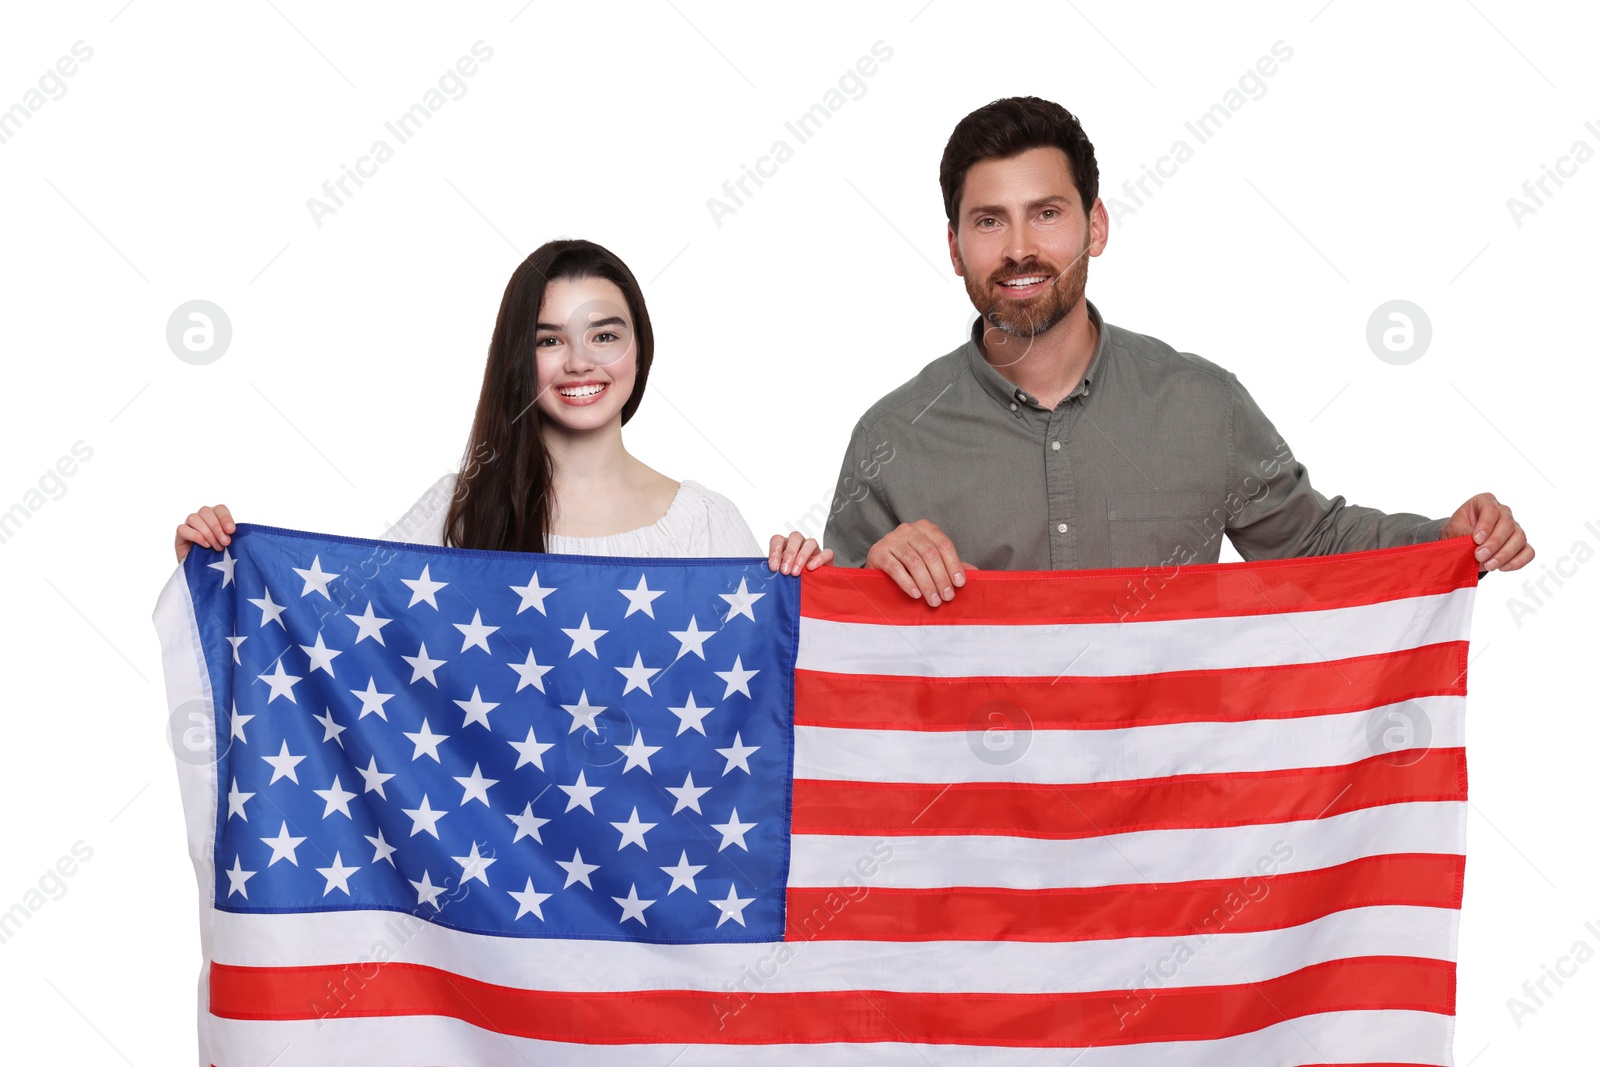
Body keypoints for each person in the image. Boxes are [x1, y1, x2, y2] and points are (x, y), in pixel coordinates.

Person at [823, 96, 1533, 605]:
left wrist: (1450, 538)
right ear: (954, 248)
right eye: (988, 221)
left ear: (1095, 226)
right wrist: (866, 583)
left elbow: (1311, 547)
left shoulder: (1202, 405)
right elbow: (834, 661)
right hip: (982, 809)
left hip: (1168, 808)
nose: (1018, 249)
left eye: (1046, 213)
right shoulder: (892, 439)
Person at [176, 238, 829, 575]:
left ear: (639, 347)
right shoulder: (456, 510)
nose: (580, 361)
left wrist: (816, 598)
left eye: (605, 334)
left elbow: (766, 710)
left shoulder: (706, 526)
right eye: (551, 339)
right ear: (521, 356)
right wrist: (222, 572)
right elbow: (338, 626)